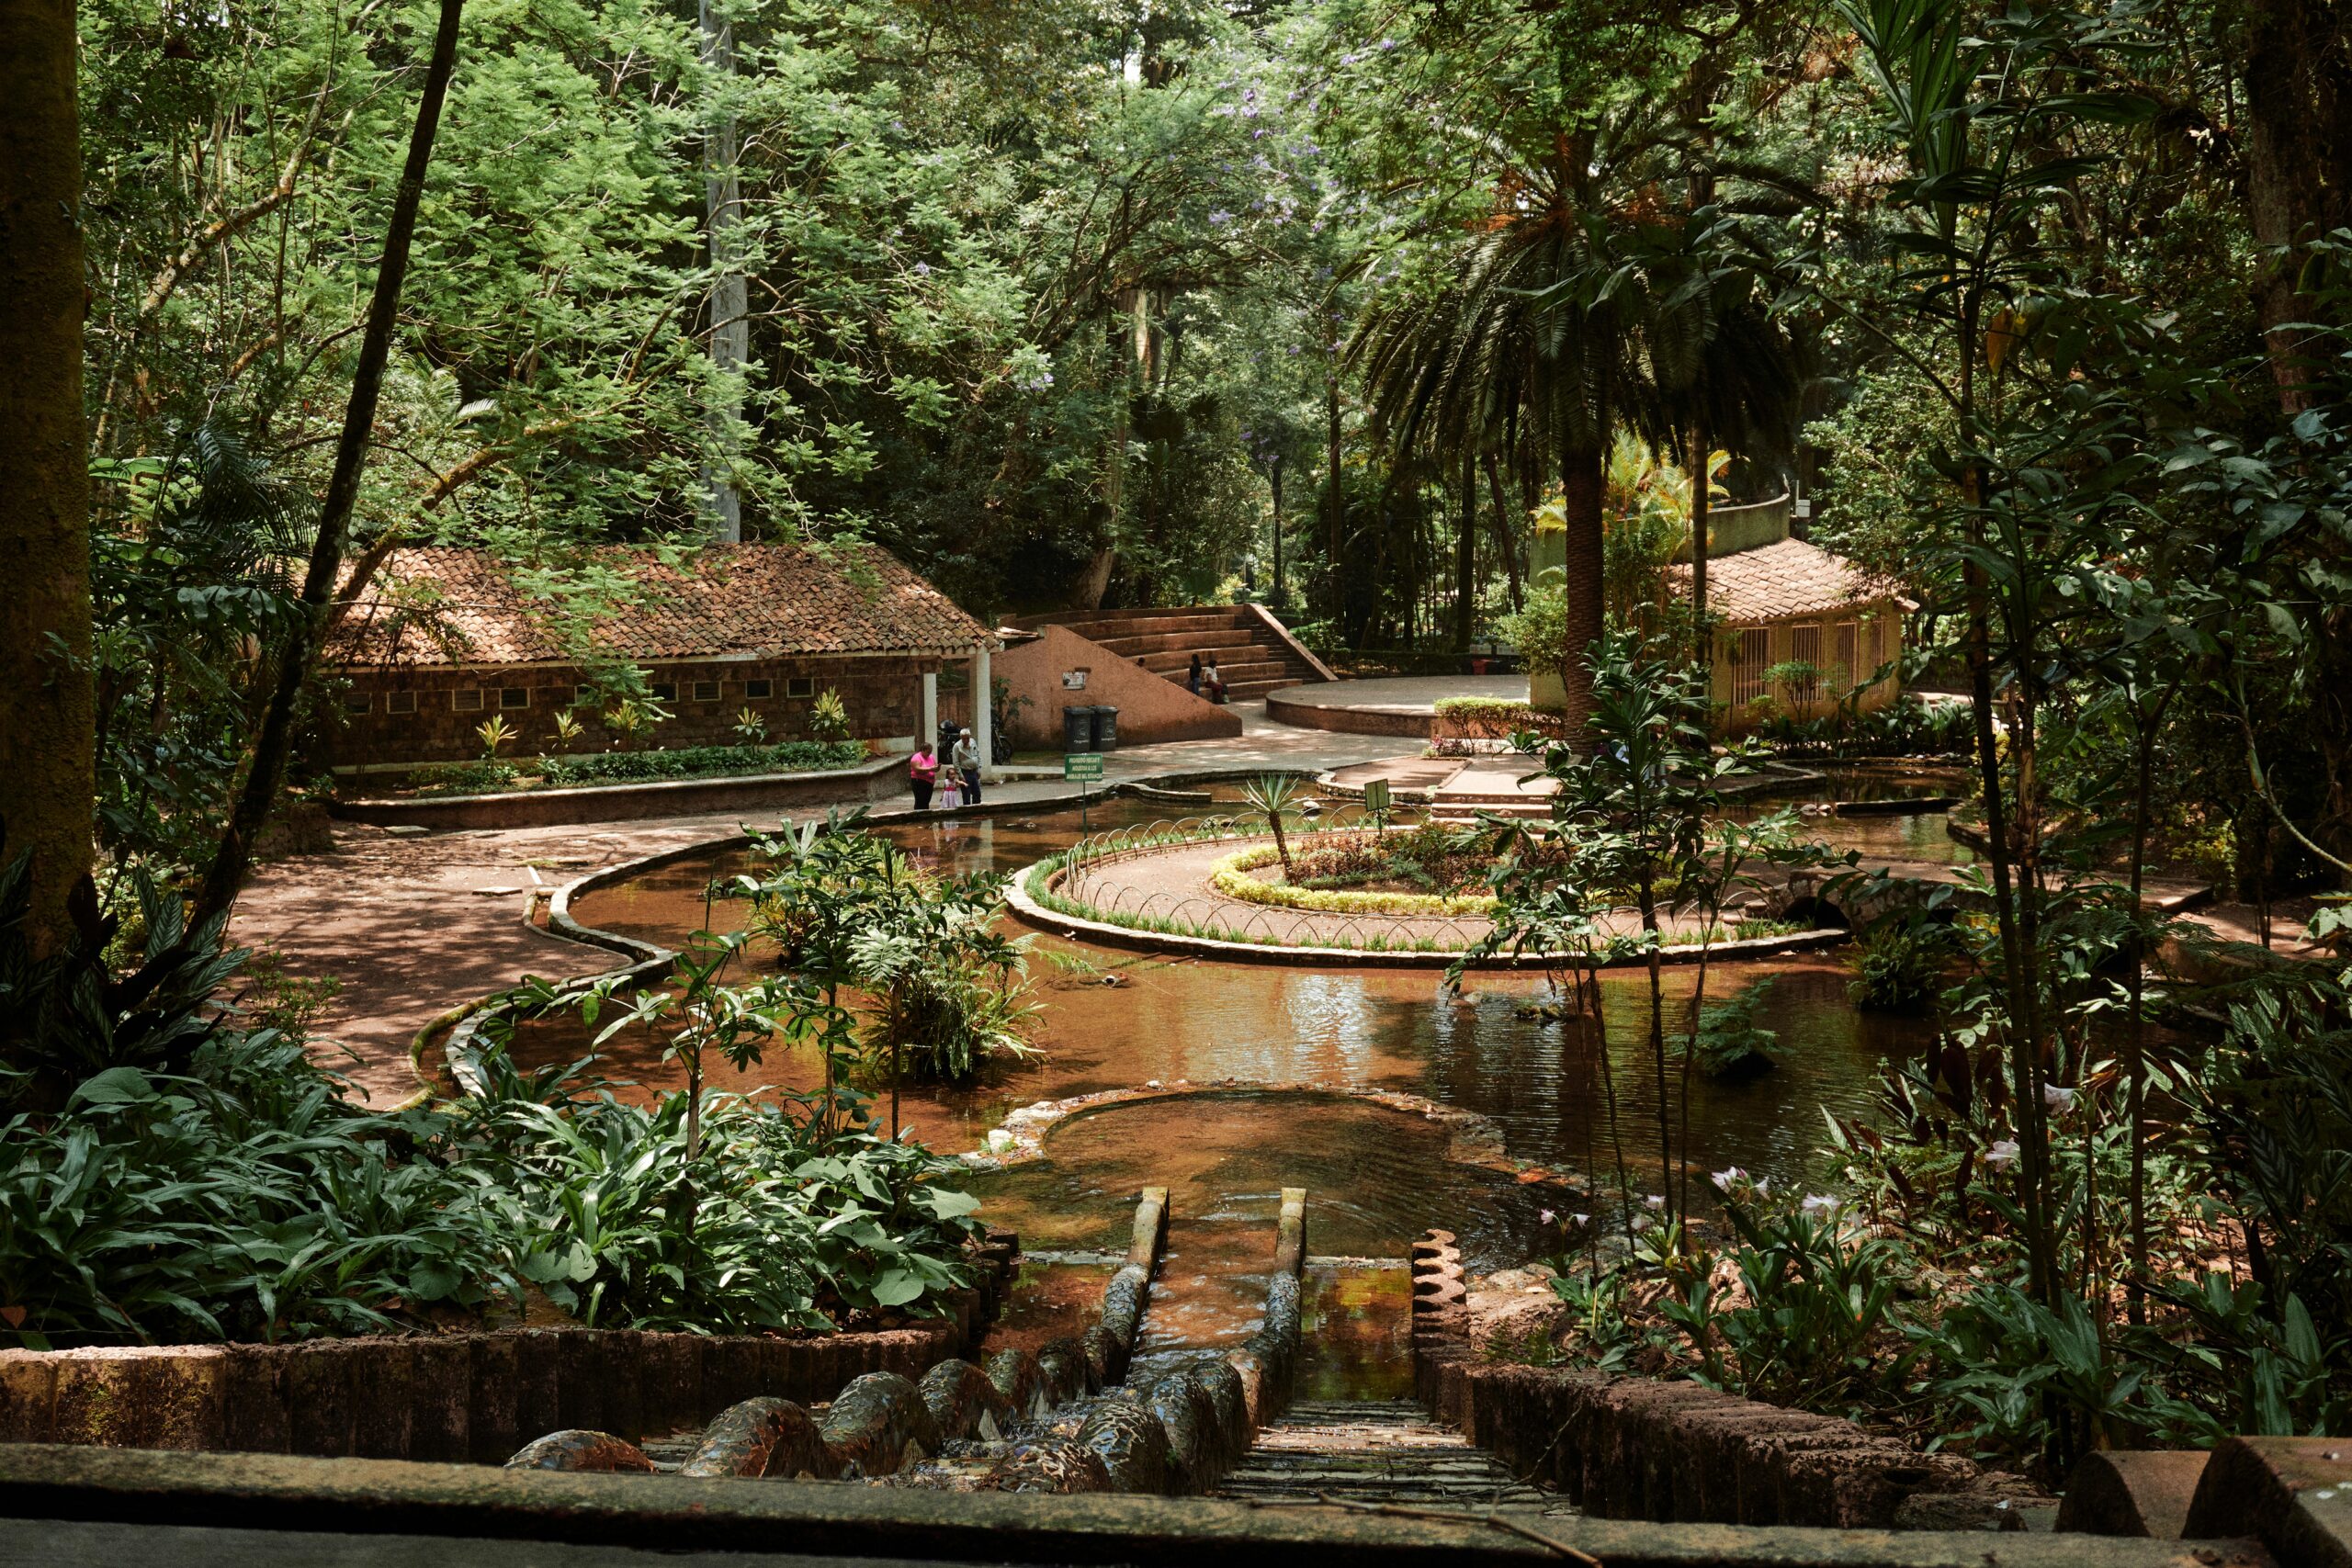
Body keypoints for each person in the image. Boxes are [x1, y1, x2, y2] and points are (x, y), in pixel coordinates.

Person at [951, 727, 983, 805]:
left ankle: (977, 810)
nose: (966, 740)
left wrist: (979, 768)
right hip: (965, 772)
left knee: (977, 793)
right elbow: (955, 762)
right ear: (961, 738)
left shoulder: (973, 742)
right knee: (966, 794)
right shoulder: (957, 746)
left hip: (974, 771)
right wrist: (960, 775)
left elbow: (978, 755)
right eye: (964, 739)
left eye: (967, 738)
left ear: (969, 737)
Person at [908, 739, 938, 810]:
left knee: (926, 800)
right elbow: (917, 769)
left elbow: (935, 767)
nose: (929, 753)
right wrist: (930, 768)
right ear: (923, 750)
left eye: (930, 752)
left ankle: (925, 814)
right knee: (920, 800)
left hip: (929, 782)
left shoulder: (931, 756)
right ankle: (918, 816)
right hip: (919, 781)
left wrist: (937, 768)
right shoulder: (916, 757)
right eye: (928, 752)